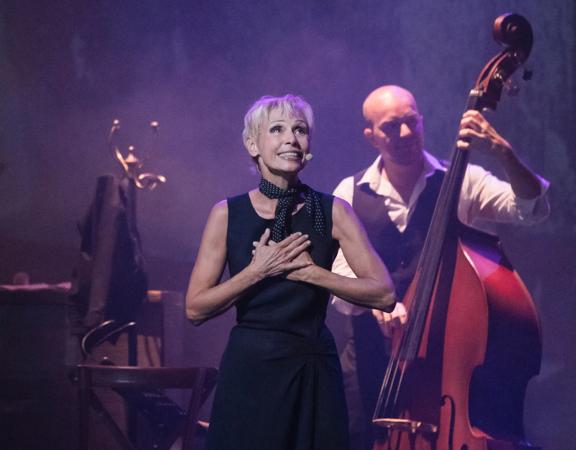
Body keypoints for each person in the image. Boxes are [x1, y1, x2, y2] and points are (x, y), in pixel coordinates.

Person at [331, 85, 550, 450]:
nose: (404, 134)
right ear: (370, 137)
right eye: (390, 127)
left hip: (443, 366)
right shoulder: (349, 192)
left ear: (421, 121)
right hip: (370, 366)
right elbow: (339, 272)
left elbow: (531, 209)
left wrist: (502, 151)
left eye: (411, 122)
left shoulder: (461, 180)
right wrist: (377, 303)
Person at [186, 94, 396, 450]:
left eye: (300, 130)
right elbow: (195, 308)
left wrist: (312, 274)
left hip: (311, 367)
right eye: (277, 129)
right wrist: (257, 271)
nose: (291, 138)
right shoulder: (227, 214)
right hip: (250, 369)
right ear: (253, 144)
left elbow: (385, 294)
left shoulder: (334, 211)